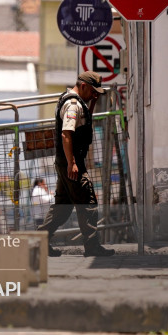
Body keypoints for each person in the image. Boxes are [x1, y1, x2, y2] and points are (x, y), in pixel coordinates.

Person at [38, 71, 114, 257]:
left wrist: (92, 103)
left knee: (62, 207)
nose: (94, 95)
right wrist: (72, 163)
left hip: (66, 162)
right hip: (71, 163)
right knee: (88, 202)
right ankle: (92, 246)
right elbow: (66, 134)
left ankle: (38, 241)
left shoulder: (77, 103)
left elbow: (81, 124)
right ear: (83, 86)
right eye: (93, 91)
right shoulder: (72, 105)